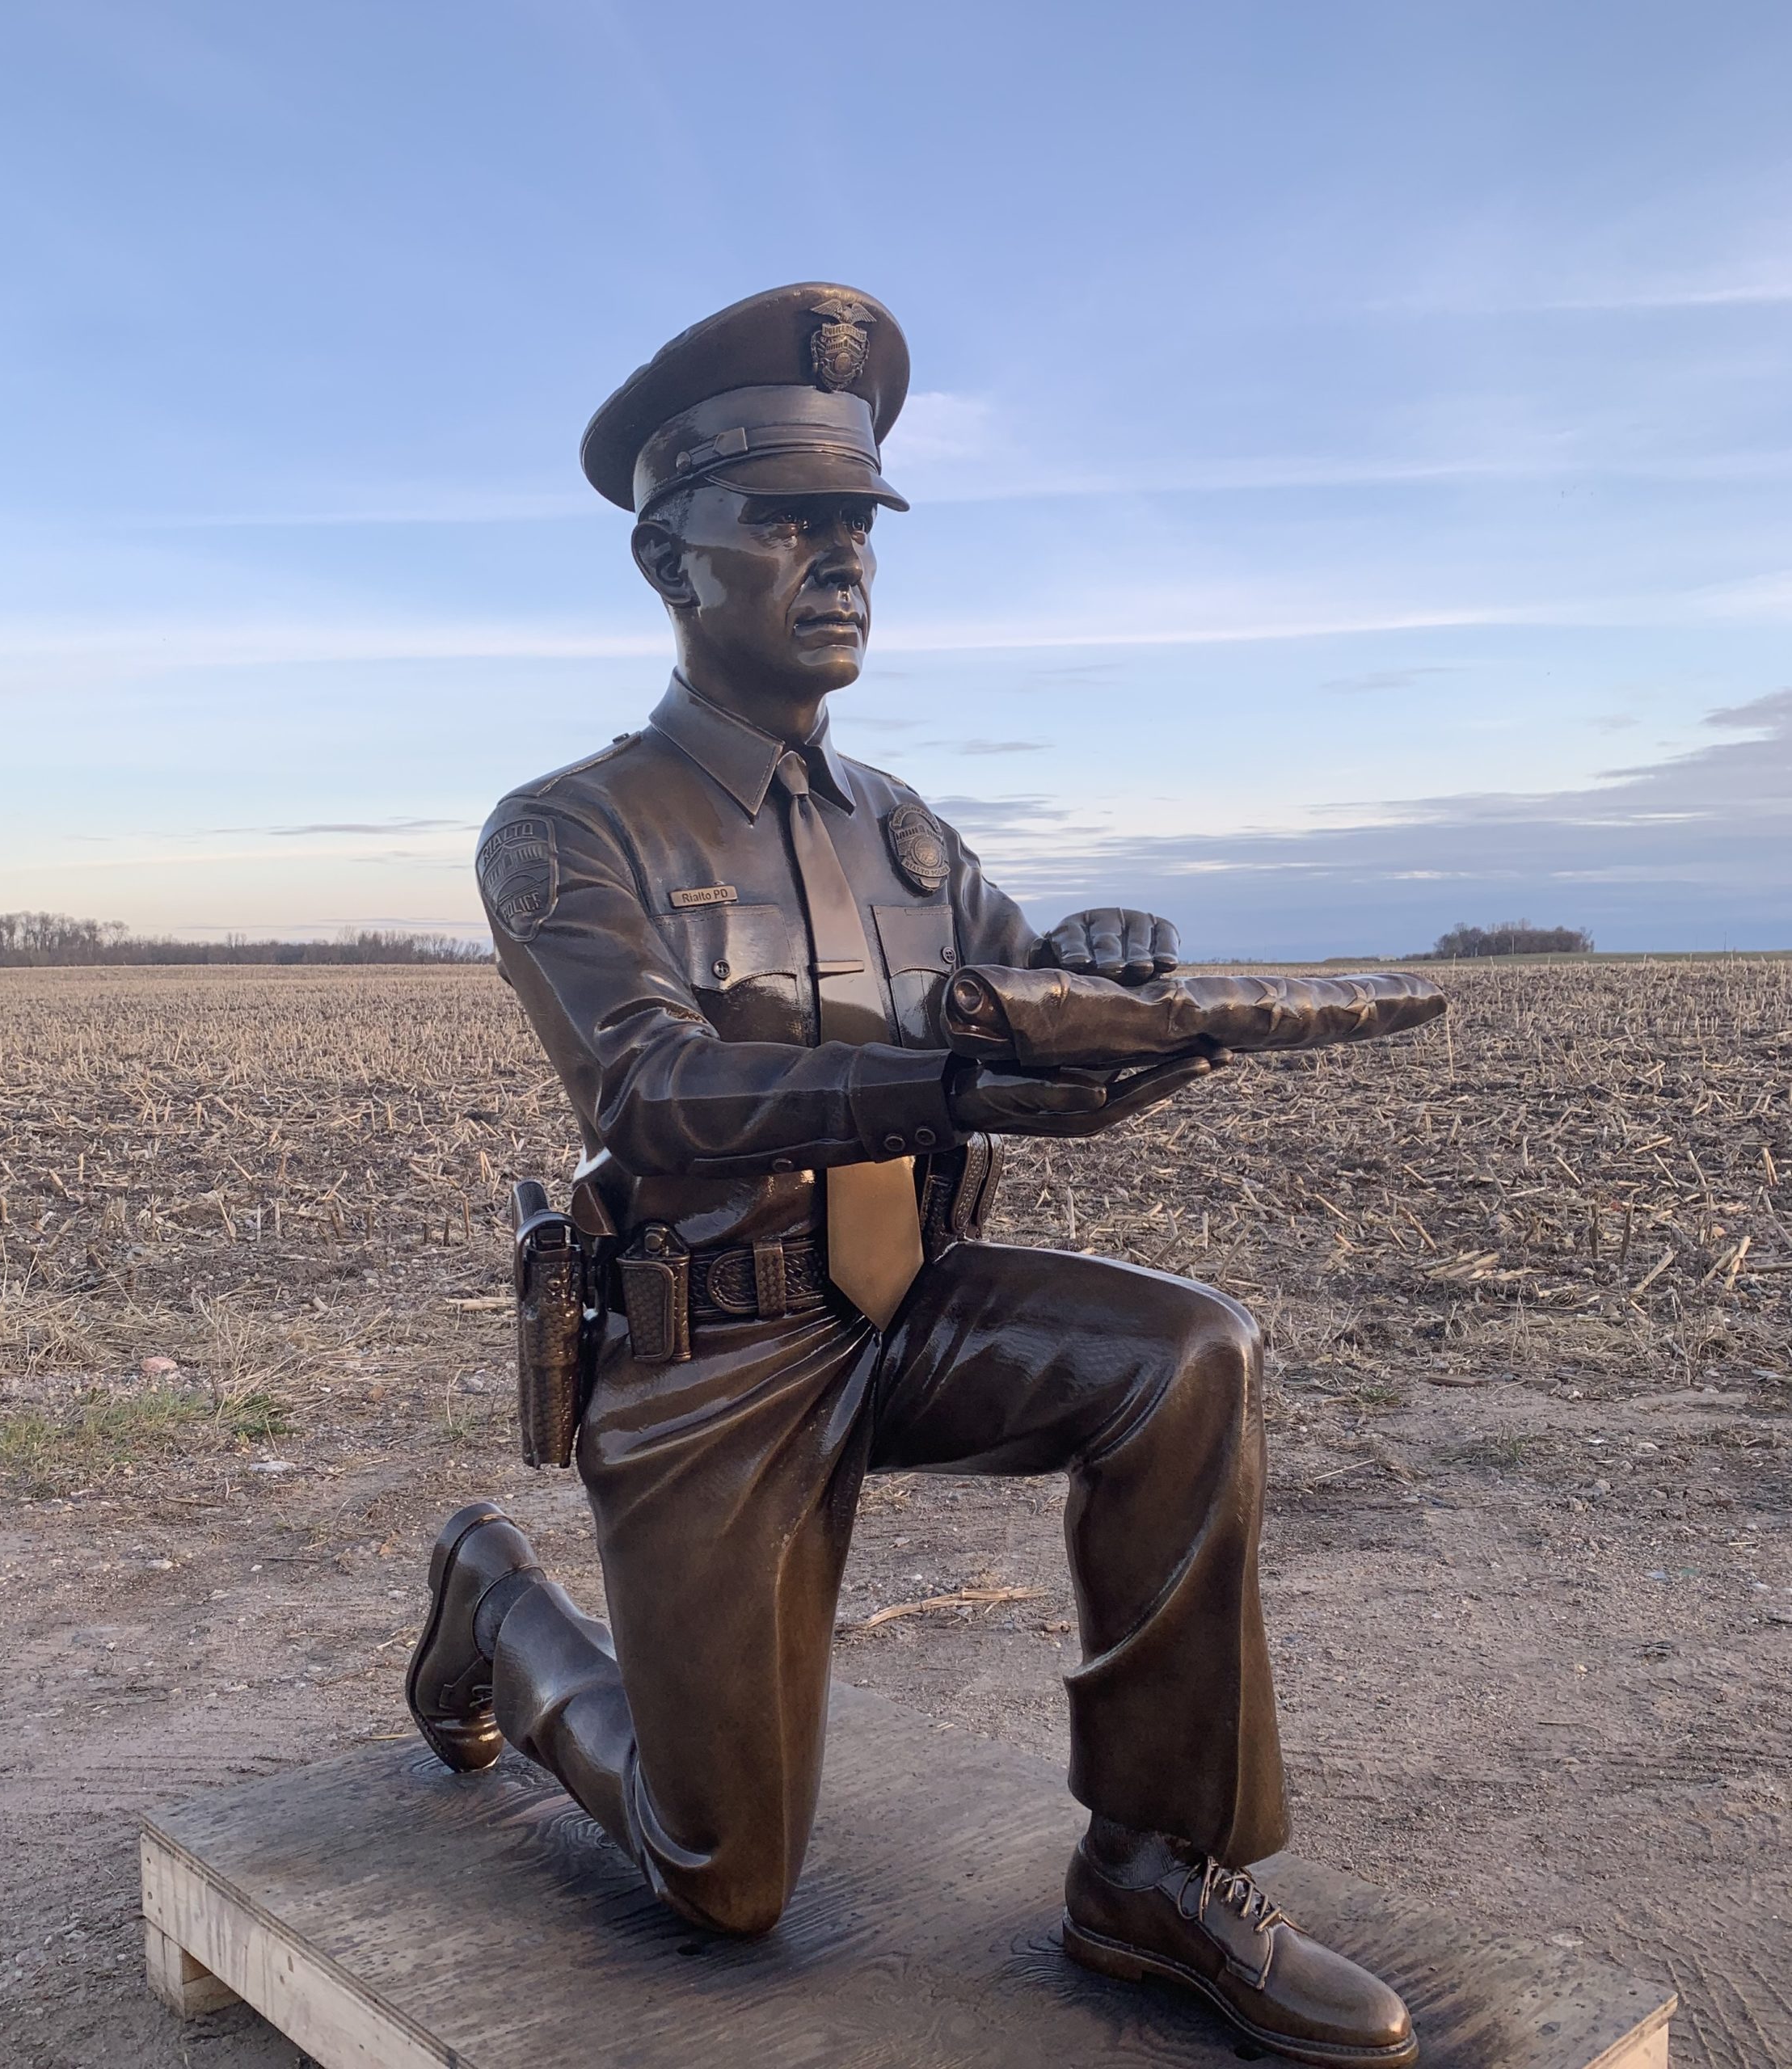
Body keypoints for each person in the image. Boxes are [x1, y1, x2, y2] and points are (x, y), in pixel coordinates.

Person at [407, 284, 1417, 2068]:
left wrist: (1091, 963)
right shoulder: (568, 827)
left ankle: (1151, 1868)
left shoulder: (909, 830)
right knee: (722, 1879)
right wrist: (958, 1074)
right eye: (785, 521)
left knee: (1191, 1352)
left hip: (913, 1306)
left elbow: (1009, 991)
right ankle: (497, 1602)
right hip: (713, 1351)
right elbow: (650, 1092)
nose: (840, 558)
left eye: (858, 523)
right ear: (666, 557)